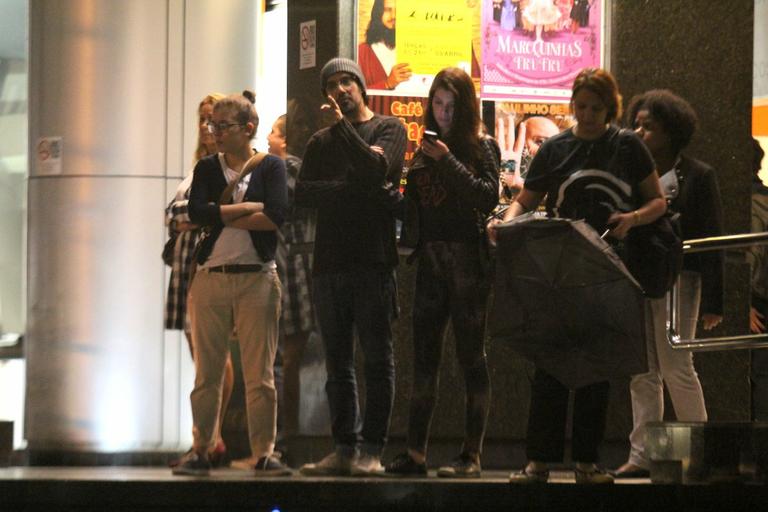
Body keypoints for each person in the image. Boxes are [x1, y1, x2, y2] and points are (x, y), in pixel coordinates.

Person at [489, 68, 667, 484]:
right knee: (550, 363)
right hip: (561, 269)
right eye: (581, 107)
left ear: (610, 108)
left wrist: (632, 219)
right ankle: (539, 461)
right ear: (573, 105)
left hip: (608, 269)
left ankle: (586, 462)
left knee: (596, 369)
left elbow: (657, 200)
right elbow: (526, 198)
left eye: (596, 109)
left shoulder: (627, 147)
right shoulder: (556, 148)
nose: (587, 116)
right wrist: (504, 221)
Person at [383, 67, 499, 478]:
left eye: (451, 105)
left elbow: (486, 197)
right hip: (431, 263)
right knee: (425, 360)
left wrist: (447, 160)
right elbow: (417, 208)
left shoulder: (480, 146)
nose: (444, 113)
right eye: (437, 104)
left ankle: (472, 454)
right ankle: (415, 453)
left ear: (465, 107)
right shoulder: (423, 150)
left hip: (467, 263)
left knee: (471, 358)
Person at [296, 57, 407, 476]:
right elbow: (303, 194)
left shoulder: (388, 129)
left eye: (348, 81)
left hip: (374, 261)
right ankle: (343, 448)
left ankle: (372, 450)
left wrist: (344, 132)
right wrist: (354, 189)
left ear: (361, 86)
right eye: (333, 84)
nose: (342, 89)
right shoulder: (319, 143)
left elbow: (379, 167)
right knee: (337, 362)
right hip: (330, 263)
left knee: (378, 358)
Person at [172, 92, 290, 477]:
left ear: (248, 129)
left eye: (224, 126)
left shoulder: (270, 167)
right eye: (212, 125)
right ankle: (201, 449)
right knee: (206, 374)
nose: (215, 132)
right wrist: (243, 210)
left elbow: (275, 217)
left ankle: (264, 452)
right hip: (211, 277)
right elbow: (195, 212)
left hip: (257, 275)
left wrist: (219, 215)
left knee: (261, 375)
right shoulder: (207, 168)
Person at [611, 90, 722, 478]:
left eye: (650, 126)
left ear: (672, 132)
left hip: (682, 276)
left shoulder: (698, 174)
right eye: (637, 124)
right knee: (642, 370)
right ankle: (643, 455)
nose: (640, 132)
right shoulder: (631, 174)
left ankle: (699, 453)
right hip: (639, 274)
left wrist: (715, 301)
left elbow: (712, 241)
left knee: (676, 365)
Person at [165, 92, 233, 468]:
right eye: (203, 121)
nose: (208, 128)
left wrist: (191, 216)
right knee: (202, 359)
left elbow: (206, 213)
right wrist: (190, 216)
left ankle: (208, 438)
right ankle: (208, 438)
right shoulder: (199, 165)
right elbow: (172, 213)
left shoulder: (228, 164)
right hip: (189, 266)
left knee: (214, 358)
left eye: (214, 120)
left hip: (213, 264)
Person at [267, 114, 317, 439]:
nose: (267, 137)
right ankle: (285, 435)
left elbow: (273, 210)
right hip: (294, 267)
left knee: (286, 360)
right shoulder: (291, 169)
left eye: (272, 132)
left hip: (291, 269)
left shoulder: (287, 169)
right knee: (286, 360)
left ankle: (286, 436)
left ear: (284, 140)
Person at [748, 138, 768, 421]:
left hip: (758, 304)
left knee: (760, 375)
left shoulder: (750, 204)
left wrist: (743, 302)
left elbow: (750, 256)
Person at [357, 0, 412, 90]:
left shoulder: (418, 51)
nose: (394, 16)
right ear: (378, 13)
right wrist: (387, 84)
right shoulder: (362, 53)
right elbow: (356, 95)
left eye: (399, 11)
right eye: (387, 10)